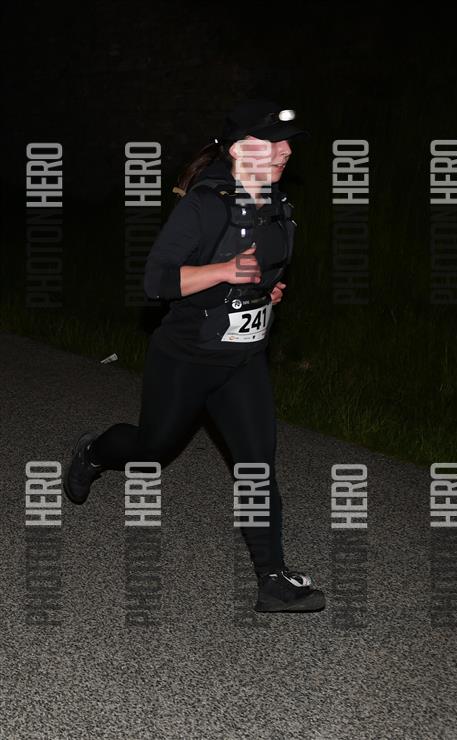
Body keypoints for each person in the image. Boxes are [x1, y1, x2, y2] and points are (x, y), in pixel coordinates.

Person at [63, 99, 325, 613]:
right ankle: (93, 453)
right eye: (271, 142)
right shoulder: (205, 205)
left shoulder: (277, 204)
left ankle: (272, 580)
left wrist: (264, 293)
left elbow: (261, 270)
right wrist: (226, 272)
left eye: (287, 143)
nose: (285, 152)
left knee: (257, 466)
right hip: (186, 357)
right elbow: (156, 280)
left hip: (243, 359)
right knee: (152, 450)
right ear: (237, 150)